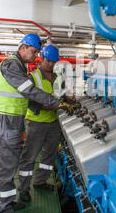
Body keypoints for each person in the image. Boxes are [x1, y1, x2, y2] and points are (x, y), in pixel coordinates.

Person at [0, 34, 73, 213]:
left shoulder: (21, 67)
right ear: (24, 47)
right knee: (5, 167)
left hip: (12, 120)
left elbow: (28, 98)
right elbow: (29, 91)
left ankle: (7, 203)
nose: (36, 56)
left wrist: (60, 104)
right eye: (35, 52)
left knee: (9, 165)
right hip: (4, 120)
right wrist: (55, 102)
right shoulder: (11, 65)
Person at [18, 45, 74, 202]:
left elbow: (62, 94)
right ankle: (23, 189)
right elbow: (30, 101)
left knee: (49, 155)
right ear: (41, 59)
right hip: (37, 123)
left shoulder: (57, 78)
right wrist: (50, 105)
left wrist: (68, 97)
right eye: (48, 61)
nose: (51, 64)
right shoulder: (33, 78)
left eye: (54, 62)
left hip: (53, 122)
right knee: (29, 157)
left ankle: (40, 181)